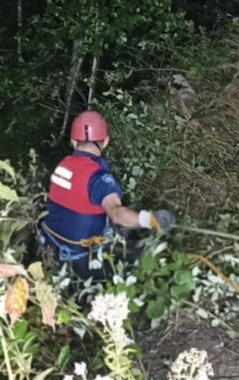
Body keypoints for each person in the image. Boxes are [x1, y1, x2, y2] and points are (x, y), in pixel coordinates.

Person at [39, 111, 175, 280]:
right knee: (140, 266)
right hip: (77, 261)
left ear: (73, 141)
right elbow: (116, 213)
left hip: (46, 247)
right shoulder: (99, 178)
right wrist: (150, 219)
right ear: (106, 141)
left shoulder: (64, 165)